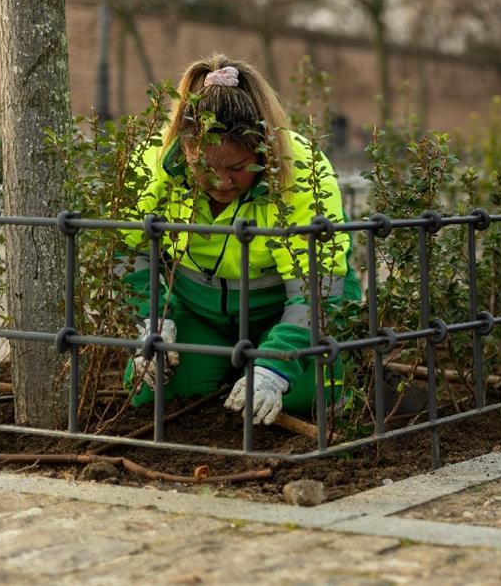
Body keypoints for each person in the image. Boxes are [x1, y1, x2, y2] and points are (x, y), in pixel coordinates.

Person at [118, 53, 360, 425]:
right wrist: (151, 321)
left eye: (236, 168)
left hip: (280, 310)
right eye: (204, 167)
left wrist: (275, 367)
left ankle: (264, 365)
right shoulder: (154, 161)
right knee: (152, 392)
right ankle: (226, 366)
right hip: (196, 309)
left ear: (262, 149)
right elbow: (130, 248)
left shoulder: (302, 170)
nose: (221, 182)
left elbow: (318, 286)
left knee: (306, 396)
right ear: (184, 148)